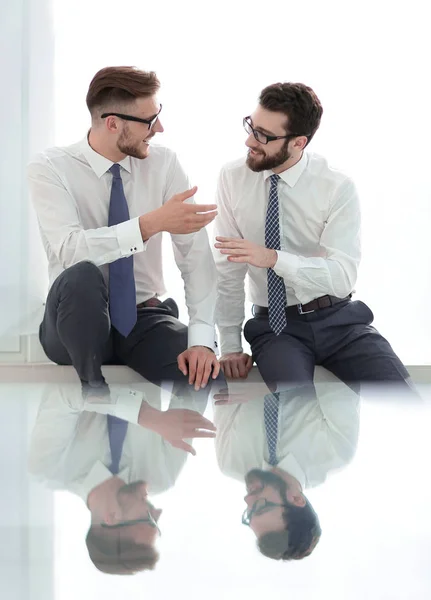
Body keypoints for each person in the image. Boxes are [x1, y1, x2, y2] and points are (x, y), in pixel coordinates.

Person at [28, 66, 220, 390]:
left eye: (158, 114)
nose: (159, 127)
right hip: (75, 320)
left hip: (142, 318)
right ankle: (96, 392)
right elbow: (69, 248)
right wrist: (149, 224)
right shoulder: (50, 168)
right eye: (148, 120)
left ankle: (165, 438)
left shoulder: (165, 164)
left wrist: (202, 340)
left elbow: (196, 258)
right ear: (113, 123)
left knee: (205, 375)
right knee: (83, 274)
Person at [213, 82, 412, 391]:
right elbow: (228, 269)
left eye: (264, 136)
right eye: (251, 126)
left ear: (298, 143)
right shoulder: (232, 177)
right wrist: (229, 345)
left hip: (341, 321)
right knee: (294, 415)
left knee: (402, 400)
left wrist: (274, 259)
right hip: (276, 329)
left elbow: (342, 276)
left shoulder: (336, 186)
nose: (249, 140)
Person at [28, 379, 217, 574]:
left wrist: (145, 415)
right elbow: (191, 395)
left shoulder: (50, 468)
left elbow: (63, 389)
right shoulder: (161, 477)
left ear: (112, 517)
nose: (158, 512)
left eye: (149, 520)